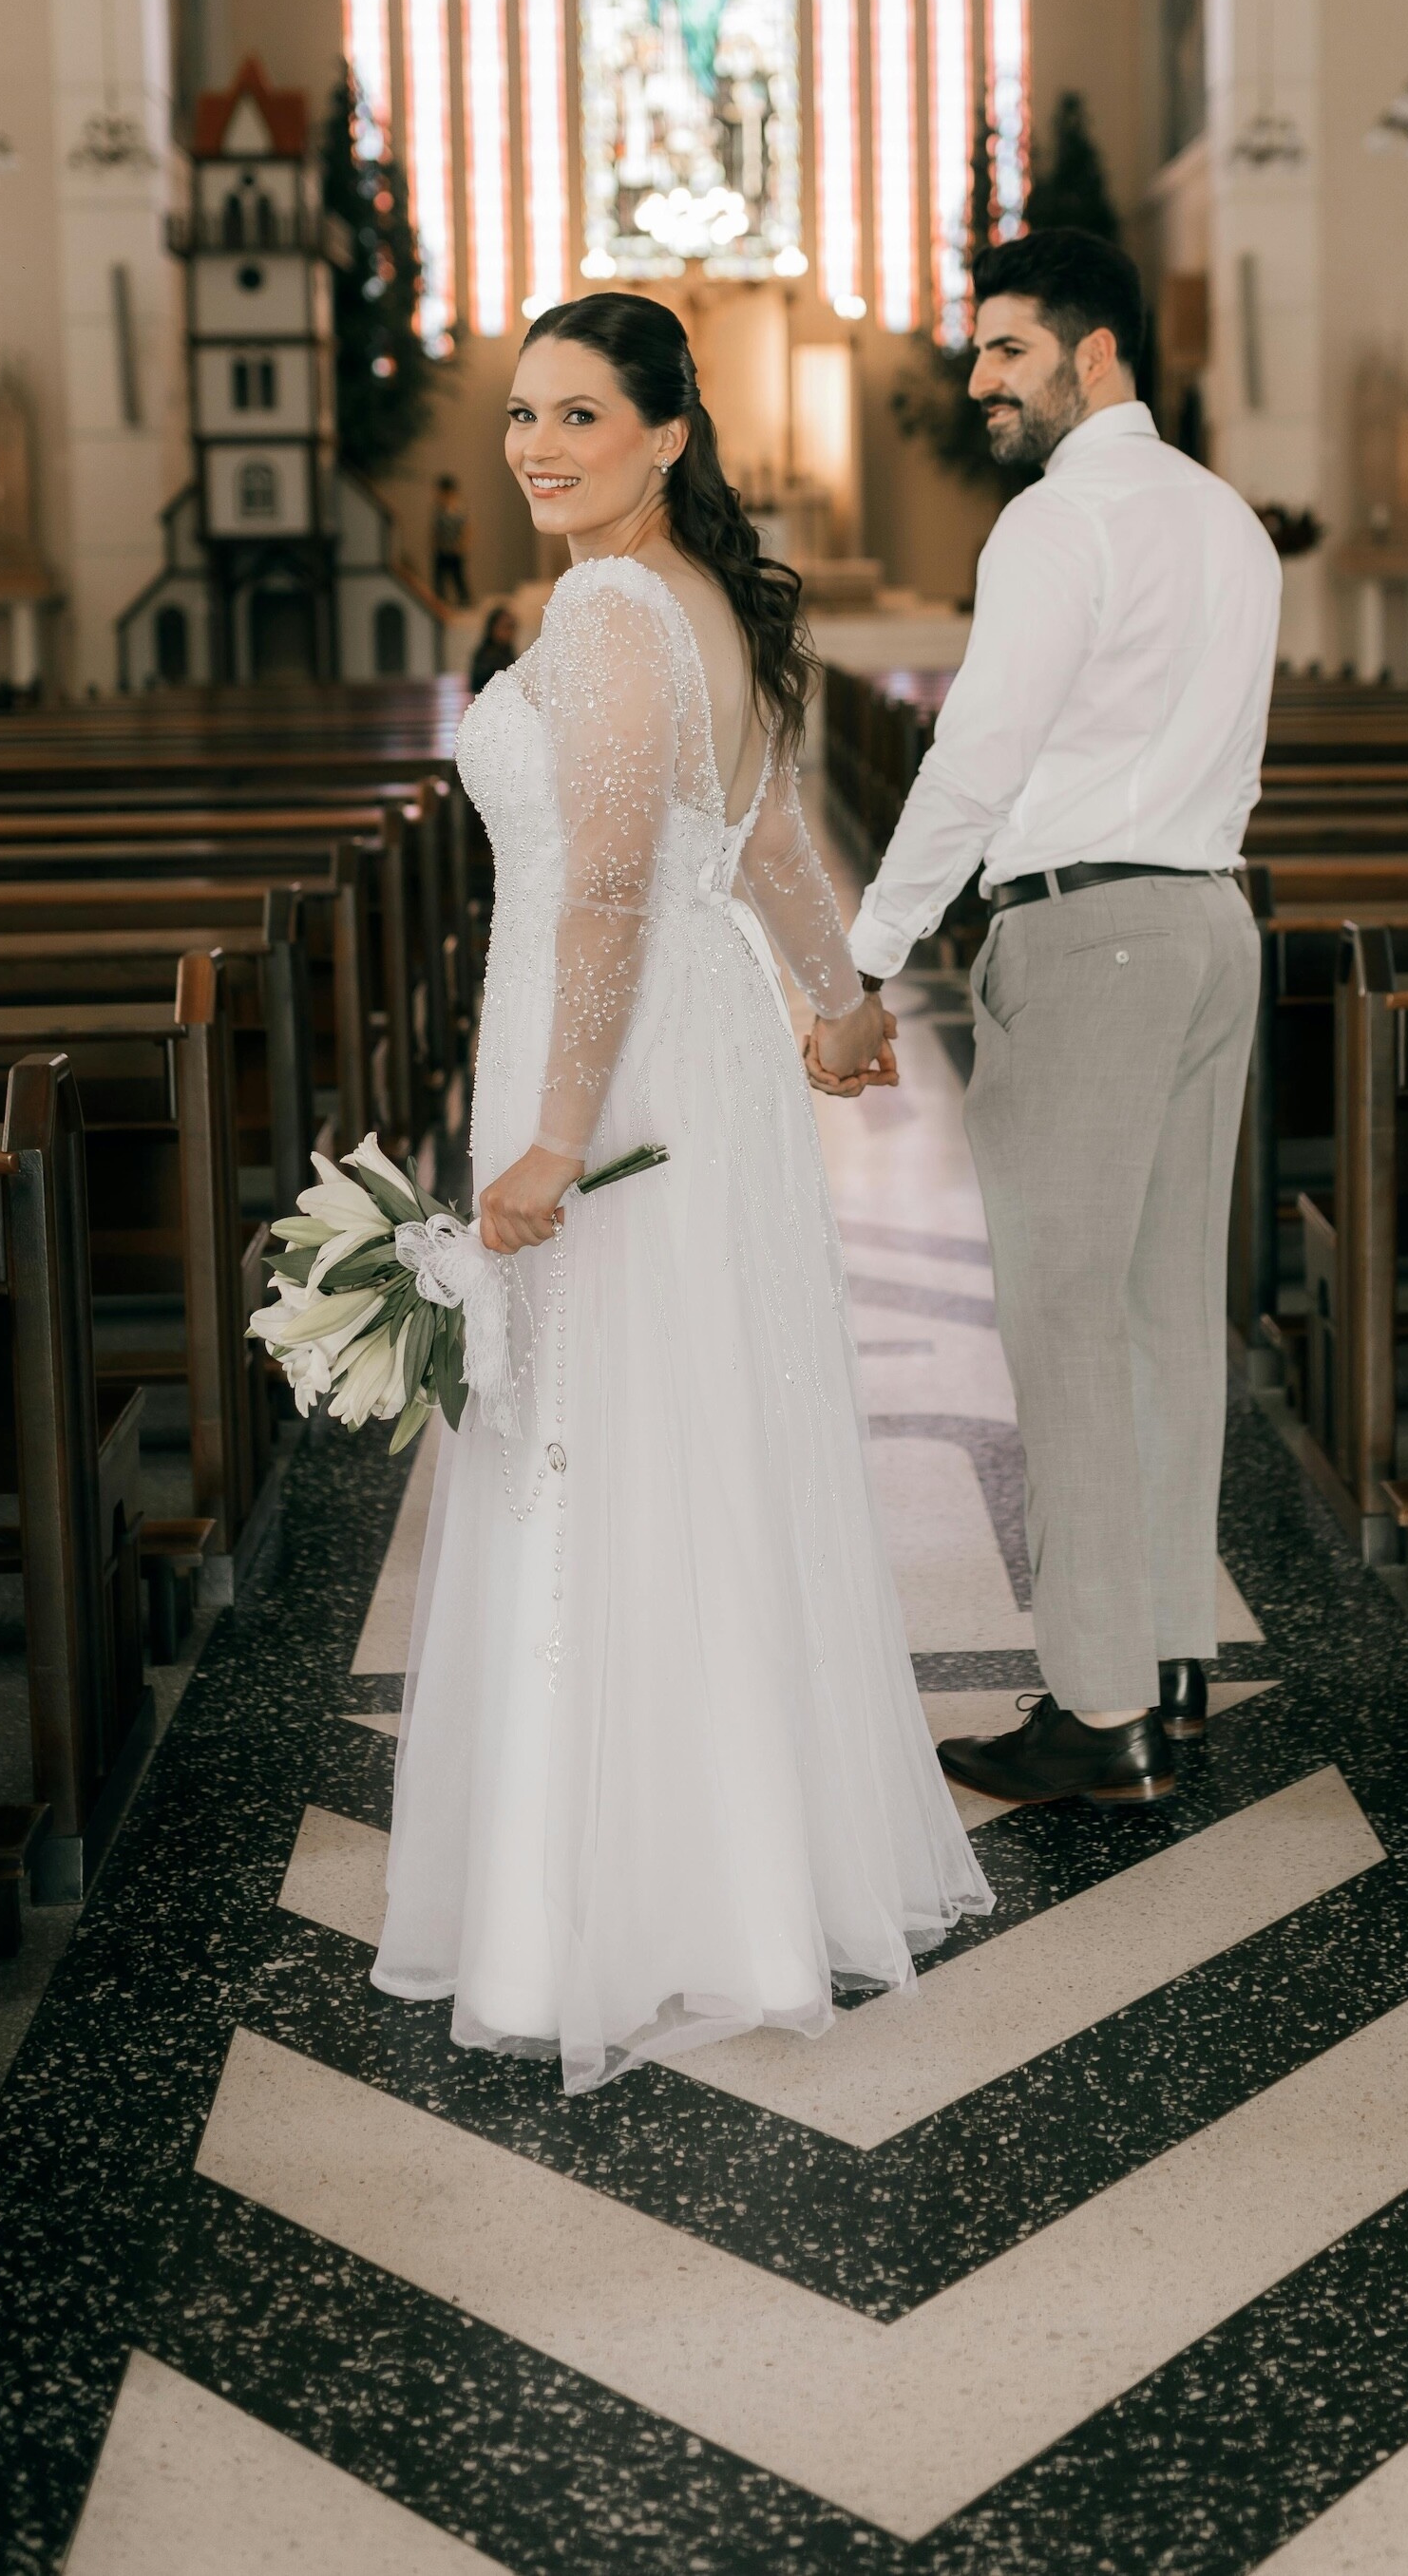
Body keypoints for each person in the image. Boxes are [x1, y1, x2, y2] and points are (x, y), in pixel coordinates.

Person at [372, 295, 987, 2090]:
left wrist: (554, 1137)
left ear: (664, 433)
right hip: (688, 1051)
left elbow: (622, 888)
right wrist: (834, 1001)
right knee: (690, 1424)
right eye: (520, 416)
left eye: (578, 415)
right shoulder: (706, 600)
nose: (538, 446)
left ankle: (634, 1894)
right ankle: (728, 1854)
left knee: (610, 1433)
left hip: (620, 1062)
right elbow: (774, 840)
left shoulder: (613, 606)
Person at [847, 228, 1281, 1812]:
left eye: (1006, 352)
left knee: (1066, 1322)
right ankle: (1164, 1658)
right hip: (1208, 924)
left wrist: (864, 952)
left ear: (1093, 356)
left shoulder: (1058, 521)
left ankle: (1097, 1715)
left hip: (1089, 933)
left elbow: (973, 757)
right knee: (1167, 1313)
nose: (979, 383)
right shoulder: (1225, 519)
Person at [431, 474, 471, 609]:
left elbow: (466, 528)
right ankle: (439, 601)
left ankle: (464, 600)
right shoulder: (439, 510)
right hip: (442, 549)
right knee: (439, 578)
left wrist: (462, 545)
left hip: (455, 549)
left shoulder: (458, 509)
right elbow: (435, 530)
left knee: (457, 576)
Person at [466, 601, 519, 691]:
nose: (509, 632)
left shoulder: (507, 653)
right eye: (505, 627)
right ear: (493, 628)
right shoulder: (486, 657)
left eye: (512, 627)